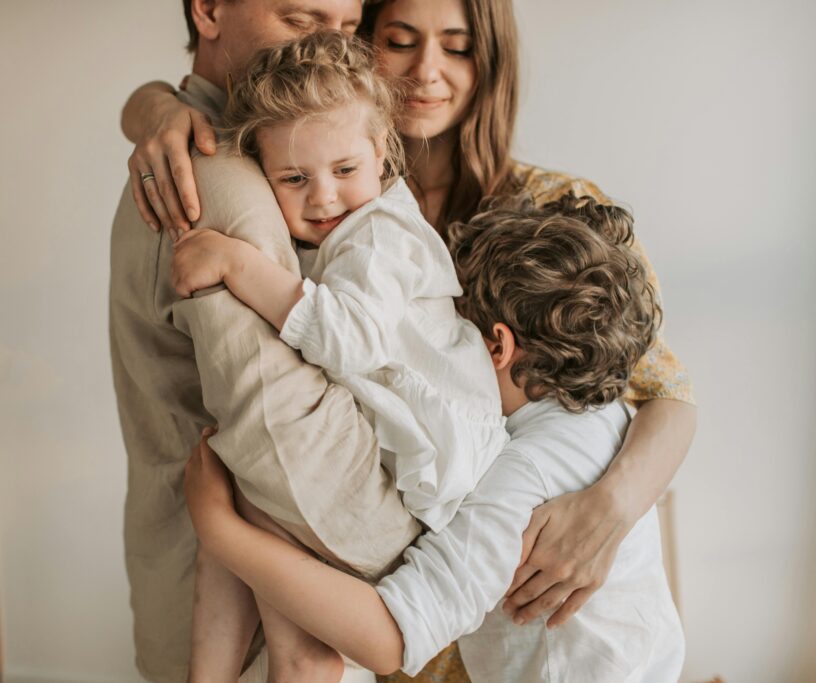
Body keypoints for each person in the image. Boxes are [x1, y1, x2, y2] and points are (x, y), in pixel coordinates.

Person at [122, 1, 696, 678]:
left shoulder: (548, 211)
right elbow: (205, 102)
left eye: (457, 47)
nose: (427, 71)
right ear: (359, 50)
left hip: (470, 592)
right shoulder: (310, 184)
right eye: (399, 40)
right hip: (407, 609)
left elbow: (667, 395)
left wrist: (611, 508)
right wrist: (149, 105)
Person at [183, 193, 686, 682]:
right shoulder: (611, 416)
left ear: (495, 346)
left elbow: (390, 638)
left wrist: (220, 530)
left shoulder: (520, 476)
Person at [170, 31, 509, 680]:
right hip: (405, 450)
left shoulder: (381, 235)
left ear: (381, 152)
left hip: (441, 475)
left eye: (344, 171)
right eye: (294, 179)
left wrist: (239, 263)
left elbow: (346, 336)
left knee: (255, 498)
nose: (322, 197)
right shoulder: (347, 222)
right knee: (243, 492)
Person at [109, 2, 428, 681]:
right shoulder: (221, 180)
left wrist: (148, 104)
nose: (327, 50)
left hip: (215, 590)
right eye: (300, 19)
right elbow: (287, 442)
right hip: (256, 621)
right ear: (210, 9)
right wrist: (440, 561)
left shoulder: (258, 153)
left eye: (346, 29)